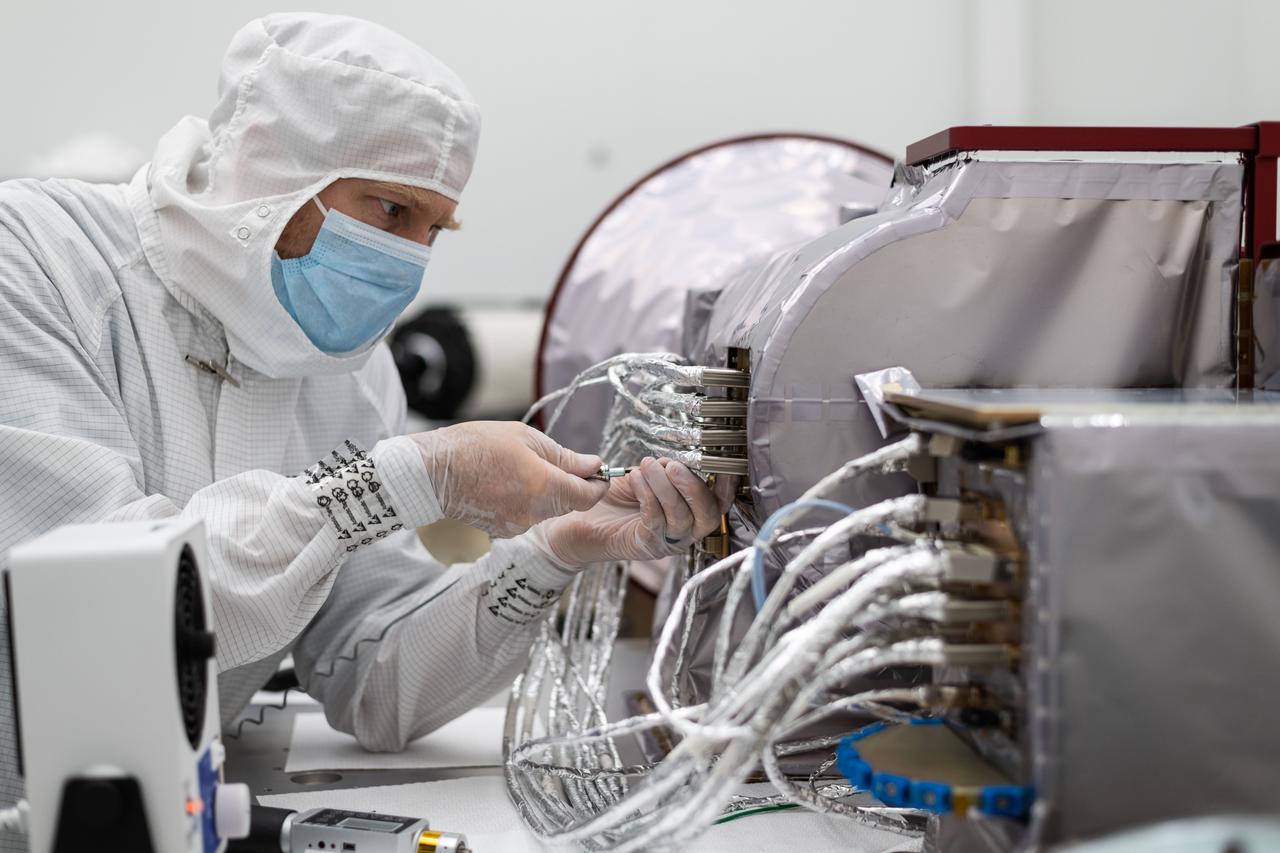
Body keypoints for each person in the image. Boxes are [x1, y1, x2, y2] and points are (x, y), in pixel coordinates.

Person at [0, 12, 727, 843]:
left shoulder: (349, 368)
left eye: (433, 229)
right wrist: (408, 476)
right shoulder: (35, 263)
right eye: (389, 210)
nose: (410, 260)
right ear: (270, 158)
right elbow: (101, 618)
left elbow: (375, 678)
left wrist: (554, 550)